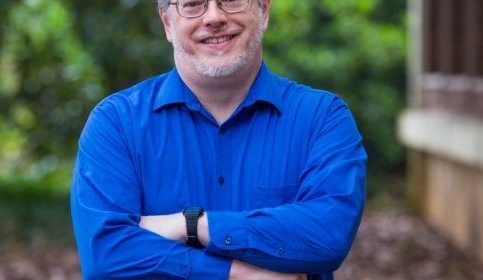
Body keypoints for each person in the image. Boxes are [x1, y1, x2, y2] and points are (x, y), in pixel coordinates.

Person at [70, 0, 367, 279]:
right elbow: (105, 258)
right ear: (168, 24)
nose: (214, 17)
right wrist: (234, 273)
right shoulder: (116, 124)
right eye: (193, 4)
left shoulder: (322, 118)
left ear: (263, 11)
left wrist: (191, 225)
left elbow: (328, 236)